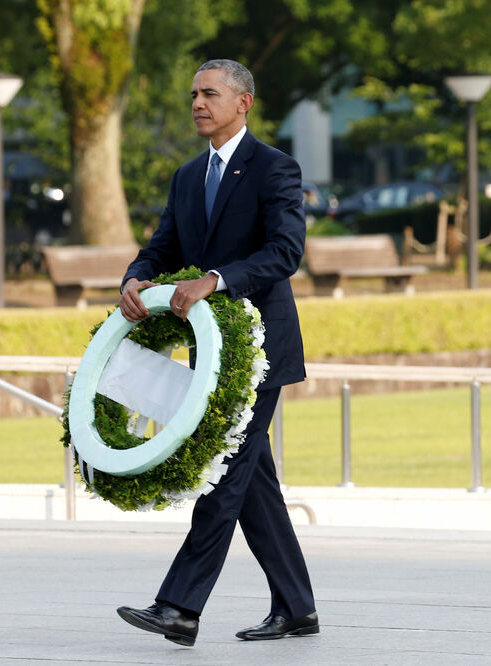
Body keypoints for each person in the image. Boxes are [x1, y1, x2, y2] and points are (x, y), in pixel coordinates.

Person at [115, 59, 317, 647]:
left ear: (243, 102)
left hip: (262, 351)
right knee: (253, 483)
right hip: (209, 352)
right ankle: (297, 608)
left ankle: (179, 606)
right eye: (194, 94)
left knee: (224, 473)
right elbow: (160, 246)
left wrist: (216, 278)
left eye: (210, 94)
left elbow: (286, 251)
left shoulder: (276, 169)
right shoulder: (186, 176)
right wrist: (135, 278)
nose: (198, 103)